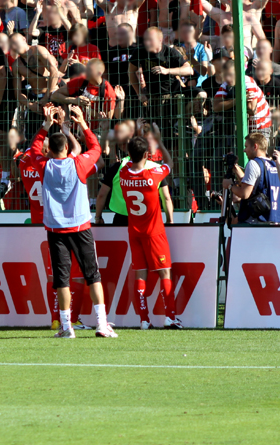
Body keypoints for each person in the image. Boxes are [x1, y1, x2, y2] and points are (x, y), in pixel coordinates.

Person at [28, 105, 117, 339]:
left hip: (56, 230)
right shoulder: (78, 164)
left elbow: (33, 150)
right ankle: (101, 324)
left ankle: (66, 327)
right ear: (67, 147)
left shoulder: (44, 165)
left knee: (62, 280)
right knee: (92, 275)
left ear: (49, 149)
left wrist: (46, 124)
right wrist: (82, 123)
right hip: (80, 227)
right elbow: (97, 148)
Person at [119, 134, 180, 329]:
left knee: (140, 275)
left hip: (134, 232)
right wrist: (160, 142)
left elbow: (127, 163)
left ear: (129, 154)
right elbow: (169, 162)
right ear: (146, 154)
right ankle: (170, 317)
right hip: (154, 232)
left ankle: (144, 320)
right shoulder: (152, 176)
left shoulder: (124, 174)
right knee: (165, 272)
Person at [228, 132, 280, 225]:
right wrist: (235, 168)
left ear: (255, 147)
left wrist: (229, 186)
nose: (244, 150)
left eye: (246, 146)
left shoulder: (254, 163)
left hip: (256, 222)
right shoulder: (274, 165)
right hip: (275, 219)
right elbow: (256, 185)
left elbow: (244, 193)